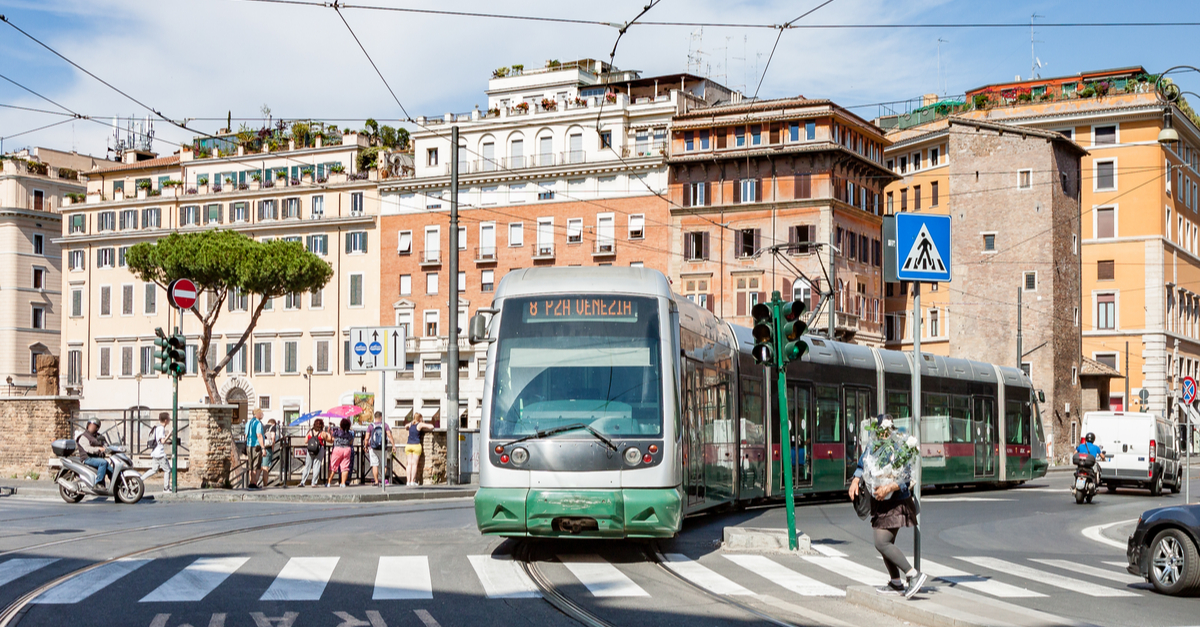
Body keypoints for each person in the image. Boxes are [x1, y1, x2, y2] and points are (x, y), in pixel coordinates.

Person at [848, 415, 928, 599]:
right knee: (884, 543)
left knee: (881, 542)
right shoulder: (873, 446)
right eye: (879, 430)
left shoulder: (898, 447)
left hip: (896, 502)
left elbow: (906, 479)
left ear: (891, 429)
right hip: (881, 502)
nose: (882, 433)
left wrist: (888, 487)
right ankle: (896, 582)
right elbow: (862, 465)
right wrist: (856, 479)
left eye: (886, 429)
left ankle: (913, 575)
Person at [140, 413, 174, 492]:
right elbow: (162, 441)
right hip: (160, 454)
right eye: (169, 419)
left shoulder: (157, 427)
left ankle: (140, 479)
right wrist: (170, 433)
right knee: (167, 470)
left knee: (154, 469)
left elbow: (159, 440)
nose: (169, 420)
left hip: (155, 452)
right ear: (165, 420)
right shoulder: (161, 428)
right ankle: (166, 488)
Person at [76, 418, 109, 488]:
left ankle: (116, 485)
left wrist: (109, 448)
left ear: (97, 428)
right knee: (103, 463)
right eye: (90, 425)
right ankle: (98, 484)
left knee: (110, 468)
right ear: (87, 426)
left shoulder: (98, 436)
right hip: (87, 458)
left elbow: (105, 444)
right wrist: (99, 449)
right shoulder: (83, 437)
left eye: (94, 426)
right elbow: (88, 449)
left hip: (95, 457)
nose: (92, 427)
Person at [404, 413, 435, 486]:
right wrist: (424, 423)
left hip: (408, 445)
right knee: (414, 464)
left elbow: (405, 426)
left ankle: (408, 481)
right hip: (416, 445)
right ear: (419, 418)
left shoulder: (411, 424)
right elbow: (431, 426)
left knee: (409, 464)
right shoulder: (420, 424)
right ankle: (412, 480)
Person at [366, 411, 393, 486]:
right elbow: (389, 435)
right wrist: (393, 445)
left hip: (373, 448)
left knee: (375, 464)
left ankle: (376, 481)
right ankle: (382, 480)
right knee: (384, 464)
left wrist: (365, 446)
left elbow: (367, 438)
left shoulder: (371, 426)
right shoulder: (385, 425)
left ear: (374, 417)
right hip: (383, 448)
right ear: (381, 417)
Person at [300, 419, 329, 487]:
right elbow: (327, 439)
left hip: (310, 450)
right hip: (319, 449)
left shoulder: (310, 431)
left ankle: (302, 482)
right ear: (322, 425)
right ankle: (313, 482)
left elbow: (306, 441)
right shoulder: (322, 432)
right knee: (317, 465)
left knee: (307, 465)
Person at [328, 418, 355, 488]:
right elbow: (351, 442)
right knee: (345, 467)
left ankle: (329, 482)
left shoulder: (337, 432)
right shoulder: (350, 434)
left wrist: (330, 433)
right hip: (347, 449)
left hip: (337, 449)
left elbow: (331, 439)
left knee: (333, 466)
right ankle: (343, 483)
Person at [245, 409, 265, 489]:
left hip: (249, 446)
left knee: (251, 466)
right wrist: (263, 448)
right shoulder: (258, 423)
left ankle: (251, 482)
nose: (262, 415)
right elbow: (259, 435)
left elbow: (246, 435)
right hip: (256, 446)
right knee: (256, 466)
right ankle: (254, 483)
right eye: (261, 413)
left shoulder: (248, 423)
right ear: (258, 414)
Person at [262, 418, 281, 485]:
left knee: (260, 467)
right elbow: (273, 438)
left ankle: (254, 482)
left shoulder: (262, 427)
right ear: (273, 424)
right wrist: (273, 449)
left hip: (260, 448)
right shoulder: (272, 427)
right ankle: (265, 484)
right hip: (267, 448)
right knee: (265, 467)